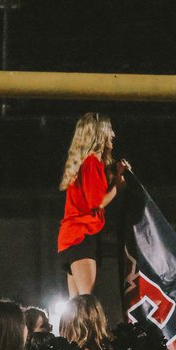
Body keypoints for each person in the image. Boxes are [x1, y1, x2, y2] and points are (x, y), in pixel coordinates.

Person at [57, 113, 130, 297]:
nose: (113, 134)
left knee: (76, 303)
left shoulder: (86, 163)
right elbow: (97, 202)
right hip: (81, 235)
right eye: (110, 129)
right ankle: (88, 327)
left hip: (71, 238)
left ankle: (75, 327)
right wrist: (118, 187)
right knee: (85, 301)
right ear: (100, 133)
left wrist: (115, 177)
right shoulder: (91, 162)